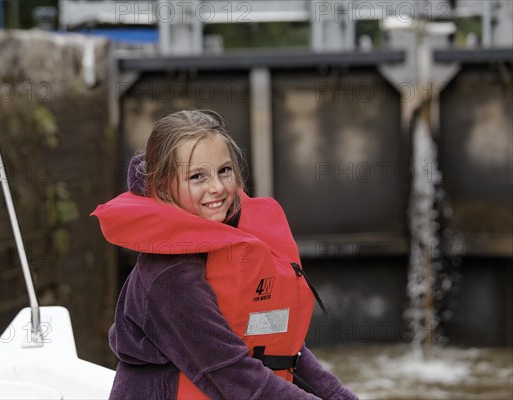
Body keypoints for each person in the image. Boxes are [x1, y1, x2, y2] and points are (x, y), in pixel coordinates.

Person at [92, 110, 358, 400]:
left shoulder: (237, 245)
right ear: (163, 186)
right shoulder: (170, 277)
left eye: (224, 171)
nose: (217, 187)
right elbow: (232, 374)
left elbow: (286, 351)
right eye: (197, 177)